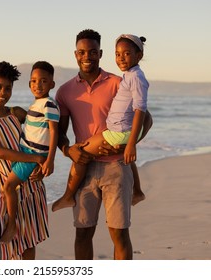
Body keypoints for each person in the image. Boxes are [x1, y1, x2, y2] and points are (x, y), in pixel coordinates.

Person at [54, 29, 153, 260]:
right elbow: (60, 133)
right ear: (75, 54)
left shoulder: (119, 82)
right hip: (84, 170)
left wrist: (128, 144)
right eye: (81, 52)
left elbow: (146, 118)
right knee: (82, 234)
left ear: (100, 53)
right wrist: (68, 151)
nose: (86, 56)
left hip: (116, 167)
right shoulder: (65, 91)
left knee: (119, 234)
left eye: (92, 52)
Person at [0, 60, 49, 260]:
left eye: (8, 88)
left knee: (28, 242)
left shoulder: (16, 113)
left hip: (30, 184)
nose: (3, 93)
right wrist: (37, 158)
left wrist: (46, 161)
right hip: (2, 185)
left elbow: (45, 128)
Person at [0, 61, 59, 244]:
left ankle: (12, 225)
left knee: (8, 186)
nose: (37, 85)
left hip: (31, 154)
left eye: (43, 81)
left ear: (52, 84)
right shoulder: (36, 104)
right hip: (24, 150)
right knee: (12, 185)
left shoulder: (49, 104)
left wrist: (50, 160)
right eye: (33, 81)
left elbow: (54, 131)